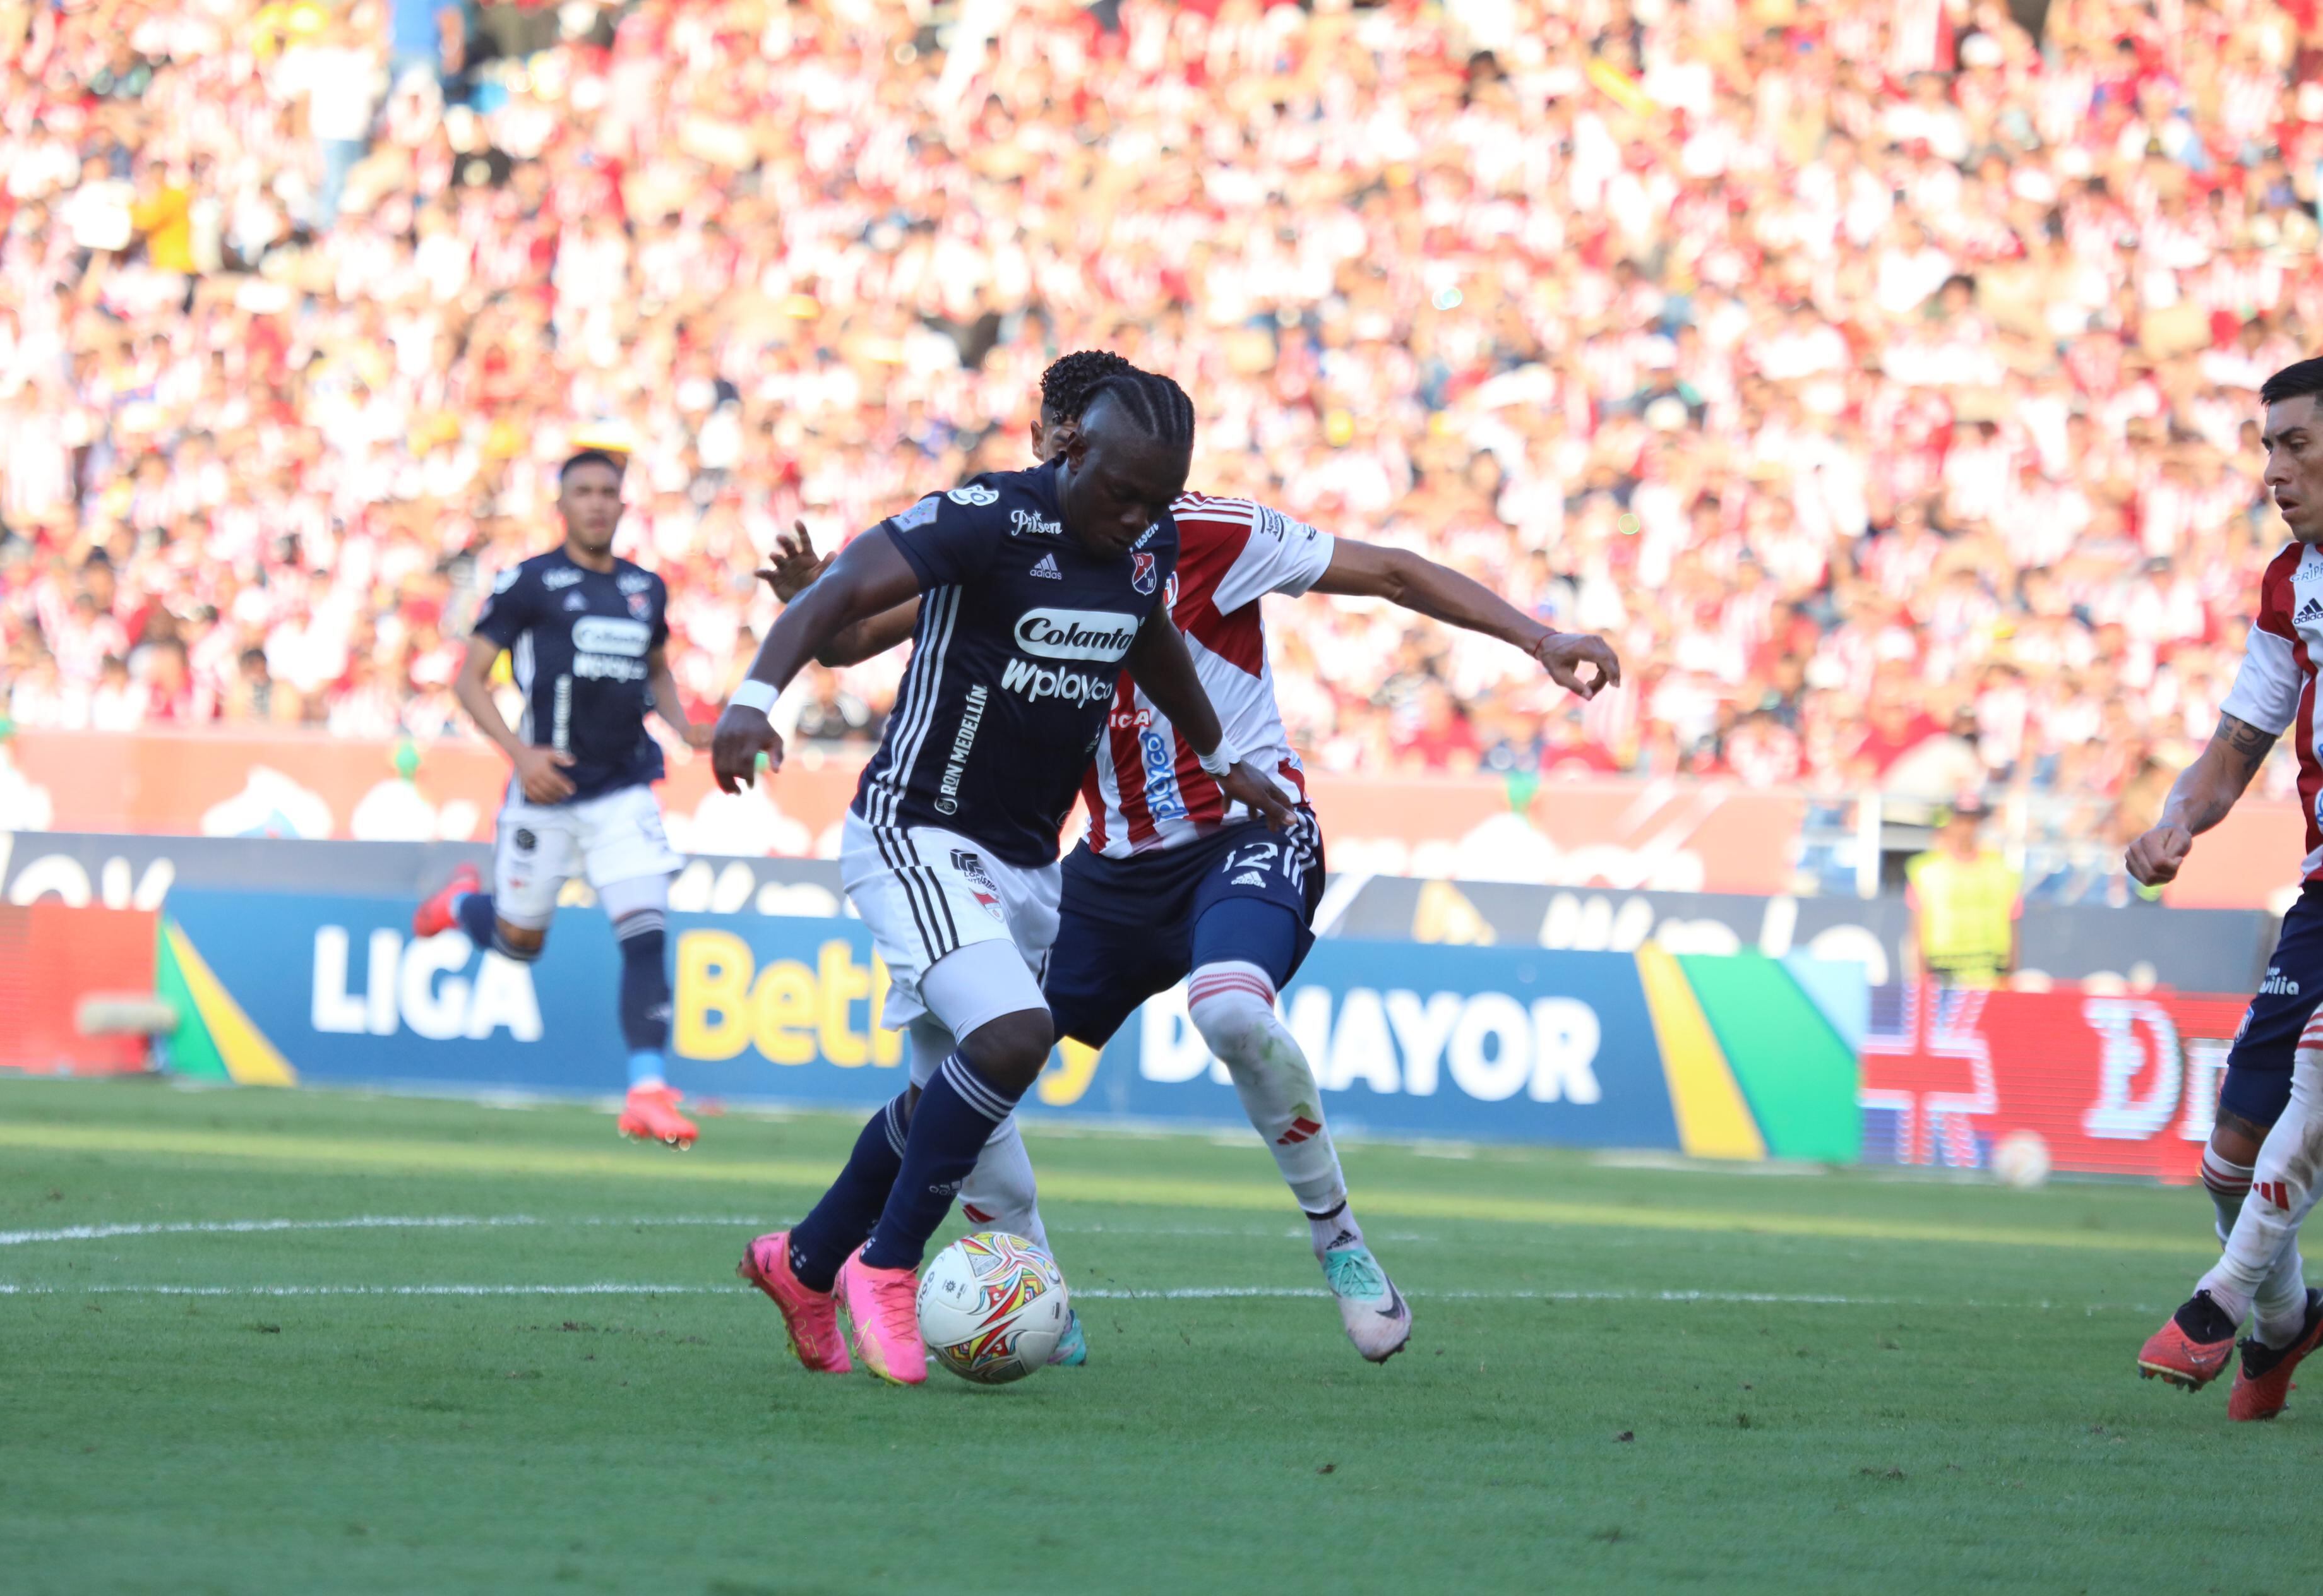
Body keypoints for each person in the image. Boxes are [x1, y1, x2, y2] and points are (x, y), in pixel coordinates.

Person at [762, 348, 1622, 1363]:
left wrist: (1538, 637)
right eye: (1045, 436)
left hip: (1245, 833)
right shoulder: (1019, 541)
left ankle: (1339, 1239)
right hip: (1109, 868)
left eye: (1076, 439)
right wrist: (820, 600)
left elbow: (1390, 571)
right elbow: (866, 635)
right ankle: (987, 1277)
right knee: (968, 1069)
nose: (1054, 453)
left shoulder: (1204, 531)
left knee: (1226, 1006)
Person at [720, 367, 1296, 1386]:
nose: (1138, 517)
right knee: (1015, 1036)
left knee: (947, 1096)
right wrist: (756, 694)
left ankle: (803, 1263)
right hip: (918, 827)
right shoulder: (988, 516)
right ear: (1067, 450)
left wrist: (1216, 756)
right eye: (1122, 492)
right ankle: (884, 1265)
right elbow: (847, 592)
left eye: (1158, 500)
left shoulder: (1140, 542)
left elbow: (1152, 638)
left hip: (1029, 862)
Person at [412, 450, 710, 1148]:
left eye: (609, 491)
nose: (598, 503)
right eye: (584, 491)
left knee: (645, 933)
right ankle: (458, 905)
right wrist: (520, 756)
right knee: (520, 944)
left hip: (624, 788)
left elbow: (657, 670)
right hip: (543, 788)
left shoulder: (645, 589)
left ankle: (646, 1089)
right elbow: (469, 681)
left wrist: (684, 725)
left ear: (623, 503)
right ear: (563, 503)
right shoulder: (530, 582)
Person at [2131, 357, 2323, 1417]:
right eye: (2267, 446)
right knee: (2230, 1155)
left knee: (2316, 1079)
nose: (2273, 469)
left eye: (2295, 442)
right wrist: (2176, 824)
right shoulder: (2293, 583)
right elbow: (2239, 740)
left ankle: (2218, 1304)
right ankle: (2289, 1321)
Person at [1904, 794, 2017, 989]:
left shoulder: (2001, 870)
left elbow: (2012, 928)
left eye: (1973, 821)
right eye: (1961, 821)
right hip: (1944, 975)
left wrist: (2010, 978)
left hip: (1991, 973)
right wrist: (1922, 981)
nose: (1967, 828)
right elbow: (1916, 934)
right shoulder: (1925, 870)